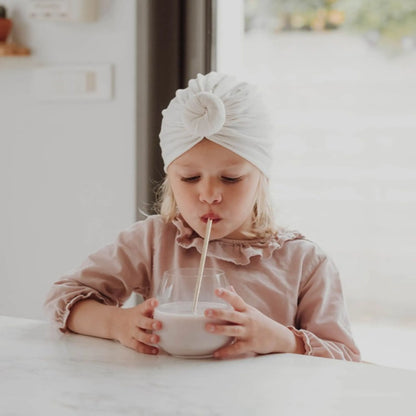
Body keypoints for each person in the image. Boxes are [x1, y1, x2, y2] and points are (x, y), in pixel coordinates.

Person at [45, 72, 360, 361]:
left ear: (261, 177)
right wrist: (117, 324)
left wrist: (281, 339)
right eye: (190, 178)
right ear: (171, 179)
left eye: (231, 178)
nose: (209, 194)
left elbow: (346, 358)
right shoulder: (153, 241)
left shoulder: (304, 263)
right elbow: (63, 299)